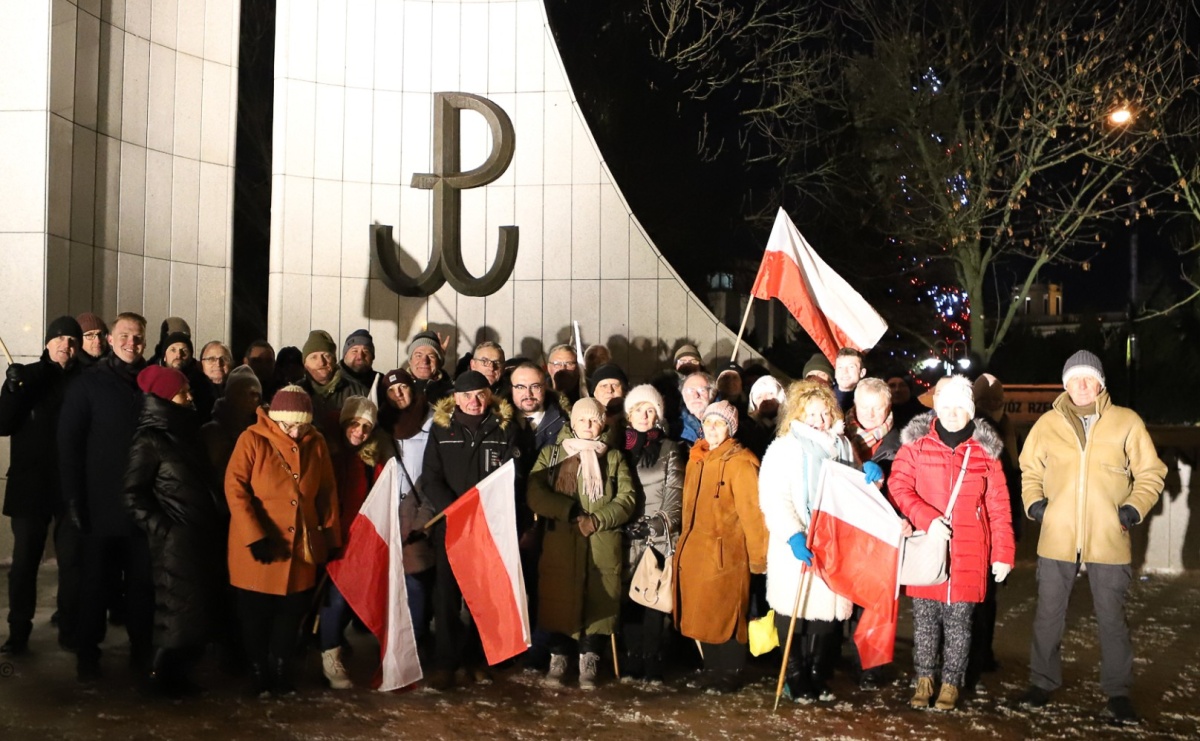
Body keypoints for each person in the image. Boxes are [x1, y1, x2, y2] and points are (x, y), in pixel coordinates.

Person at [1017, 351, 1166, 725]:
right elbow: (1029, 469)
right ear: (1064, 384)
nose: (1082, 386)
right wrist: (1036, 506)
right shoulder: (1047, 424)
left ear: (1100, 383)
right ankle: (1041, 683)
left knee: (1112, 618)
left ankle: (1118, 693)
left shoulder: (1126, 422)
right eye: (1074, 379)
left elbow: (1151, 472)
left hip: (1108, 537)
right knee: (1048, 614)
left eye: (1089, 379)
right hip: (1057, 536)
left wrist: (1132, 509)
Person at [889, 375, 1015, 712]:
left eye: (961, 406)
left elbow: (999, 506)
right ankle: (924, 678)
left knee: (960, 624)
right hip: (928, 550)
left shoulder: (987, 453)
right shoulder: (915, 446)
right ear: (937, 408)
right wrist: (927, 519)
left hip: (970, 552)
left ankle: (951, 683)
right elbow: (899, 487)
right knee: (926, 622)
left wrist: (1003, 554)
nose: (953, 413)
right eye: (946, 406)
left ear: (971, 410)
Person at [225, 385, 340, 697]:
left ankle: (280, 669)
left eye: (301, 424)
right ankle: (258, 672)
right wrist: (255, 535)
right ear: (275, 419)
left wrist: (330, 536)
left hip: (300, 547)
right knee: (255, 616)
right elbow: (235, 489)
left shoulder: (315, 442)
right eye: (288, 425)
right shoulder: (251, 439)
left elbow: (327, 492)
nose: (294, 431)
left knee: (291, 615)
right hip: (260, 548)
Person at [58, 312, 155, 681]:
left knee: (142, 587)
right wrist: (73, 498)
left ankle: (142, 650)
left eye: (139, 337)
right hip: (100, 506)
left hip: (144, 506)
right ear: (111, 340)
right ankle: (87, 652)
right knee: (95, 586)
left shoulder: (153, 382)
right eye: (126, 335)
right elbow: (69, 444)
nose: (133, 343)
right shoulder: (88, 384)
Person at [758, 381, 864, 703]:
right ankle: (794, 674)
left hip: (832, 545)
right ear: (796, 416)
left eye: (823, 413)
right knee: (794, 613)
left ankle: (817, 672)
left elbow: (856, 490)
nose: (818, 420)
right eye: (810, 414)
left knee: (824, 618)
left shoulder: (844, 448)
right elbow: (774, 497)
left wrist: (870, 476)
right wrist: (792, 533)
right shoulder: (783, 449)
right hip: (797, 543)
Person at [122, 366, 225, 696]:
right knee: (176, 613)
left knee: (193, 609)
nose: (190, 396)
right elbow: (132, 494)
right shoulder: (150, 439)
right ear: (167, 396)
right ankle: (159, 676)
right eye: (183, 392)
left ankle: (177, 675)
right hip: (175, 539)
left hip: (198, 534)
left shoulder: (184, 430)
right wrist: (165, 529)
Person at [527, 397, 635, 690]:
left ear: (603, 424)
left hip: (601, 540)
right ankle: (558, 657)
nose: (588, 425)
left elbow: (627, 498)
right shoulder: (551, 455)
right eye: (583, 420)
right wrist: (569, 511)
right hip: (561, 540)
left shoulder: (613, 458)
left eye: (595, 420)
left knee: (598, 598)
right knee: (560, 598)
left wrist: (598, 520)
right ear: (572, 423)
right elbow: (535, 492)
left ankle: (590, 658)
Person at [420, 370, 519, 690]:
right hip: (451, 526)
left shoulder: (505, 428)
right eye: (466, 396)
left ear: (489, 395)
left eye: (480, 395)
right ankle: (445, 664)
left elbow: (512, 475)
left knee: (484, 598)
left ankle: (477, 659)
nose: (474, 402)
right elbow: (430, 477)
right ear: (456, 398)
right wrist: (454, 509)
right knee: (446, 597)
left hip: (488, 528)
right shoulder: (441, 429)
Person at [0, 316, 84, 655]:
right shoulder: (28, 376)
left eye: (72, 340)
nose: (66, 345)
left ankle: (69, 625)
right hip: (31, 485)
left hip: (70, 488)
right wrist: (9, 389)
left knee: (73, 562)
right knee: (24, 565)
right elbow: (3, 424)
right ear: (48, 342)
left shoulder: (84, 381)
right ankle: (18, 630)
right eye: (60, 338)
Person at [674, 401, 768, 694]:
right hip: (695, 551)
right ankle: (712, 669)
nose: (713, 429)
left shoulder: (741, 462)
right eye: (709, 422)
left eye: (719, 423)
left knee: (728, 617)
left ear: (730, 429)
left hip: (727, 553)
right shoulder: (696, 458)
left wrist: (759, 559)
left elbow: (753, 513)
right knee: (704, 615)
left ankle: (730, 672)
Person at [618, 385, 682, 683]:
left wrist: (657, 524)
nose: (644, 415)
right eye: (638, 409)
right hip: (625, 534)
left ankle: (653, 656)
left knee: (652, 600)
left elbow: (675, 494)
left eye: (650, 410)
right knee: (628, 601)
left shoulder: (669, 448)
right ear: (628, 414)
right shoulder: (619, 447)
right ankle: (632, 655)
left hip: (656, 536)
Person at [319, 396, 384, 690]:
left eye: (366, 428)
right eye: (355, 424)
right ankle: (328, 653)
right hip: (324, 533)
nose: (359, 432)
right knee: (329, 598)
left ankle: (332, 649)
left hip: (354, 539)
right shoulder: (324, 450)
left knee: (342, 595)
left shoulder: (371, 459)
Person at [843, 376, 904, 688]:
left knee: (876, 602)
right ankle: (841, 655)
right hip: (847, 528)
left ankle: (871, 665)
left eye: (876, 408)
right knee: (845, 596)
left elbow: (907, 486)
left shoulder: (901, 442)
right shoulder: (839, 435)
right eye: (863, 406)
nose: (868, 413)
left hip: (882, 531)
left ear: (888, 407)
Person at [380, 369, 436, 652]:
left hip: (418, 507)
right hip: (387, 509)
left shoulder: (433, 420)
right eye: (392, 391)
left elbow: (434, 470)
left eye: (403, 388)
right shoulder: (381, 425)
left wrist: (424, 514)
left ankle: (416, 640)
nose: (398, 394)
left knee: (416, 577)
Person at [200, 366, 264, 482]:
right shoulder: (213, 433)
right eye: (248, 393)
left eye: (257, 394)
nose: (254, 399)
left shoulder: (263, 428)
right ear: (233, 395)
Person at [299, 330, 367, 432]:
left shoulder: (358, 391)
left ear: (334, 360)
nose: (321, 362)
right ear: (305, 364)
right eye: (314, 357)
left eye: (326, 356)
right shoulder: (296, 392)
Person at [742, 375, 786, 459]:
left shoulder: (791, 426)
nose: (765, 399)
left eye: (770, 393)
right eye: (759, 397)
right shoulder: (748, 429)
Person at [406, 330, 453, 402]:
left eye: (431, 356)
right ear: (410, 360)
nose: (425, 361)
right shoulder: (396, 387)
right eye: (418, 355)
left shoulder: (451, 391)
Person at [675, 372, 716, 450]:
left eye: (702, 390)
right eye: (690, 391)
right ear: (683, 395)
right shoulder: (675, 429)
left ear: (711, 394)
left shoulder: (725, 423)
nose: (696, 395)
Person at [339, 329, 382, 403]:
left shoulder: (382, 382)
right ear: (345, 355)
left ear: (372, 357)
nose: (360, 356)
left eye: (366, 351)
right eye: (354, 351)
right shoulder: (331, 382)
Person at [833, 348, 866, 412]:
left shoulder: (868, 400)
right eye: (840, 367)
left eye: (851, 367)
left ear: (862, 373)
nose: (844, 372)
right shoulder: (823, 399)